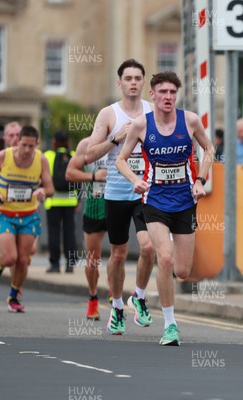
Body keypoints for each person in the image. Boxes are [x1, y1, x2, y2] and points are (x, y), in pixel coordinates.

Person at [116, 71, 214, 346]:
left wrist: (200, 180)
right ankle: (170, 325)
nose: (168, 97)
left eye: (172, 92)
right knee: (165, 258)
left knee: (182, 271)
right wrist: (136, 180)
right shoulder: (140, 125)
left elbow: (209, 149)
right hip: (155, 201)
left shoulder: (190, 120)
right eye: (163, 92)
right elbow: (121, 160)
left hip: (184, 201)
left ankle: (137, 297)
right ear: (153, 95)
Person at [85, 59, 155, 334]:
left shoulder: (152, 111)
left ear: (143, 82)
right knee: (117, 254)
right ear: (120, 83)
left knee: (149, 247)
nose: (134, 82)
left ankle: (138, 297)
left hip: (146, 191)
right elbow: (89, 154)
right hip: (116, 192)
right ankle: (116, 307)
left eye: (138, 77)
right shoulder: (108, 114)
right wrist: (117, 138)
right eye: (129, 78)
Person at [0, 126, 54, 312]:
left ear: (36, 144)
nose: (26, 150)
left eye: (31, 146)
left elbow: (50, 188)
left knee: (23, 260)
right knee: (9, 257)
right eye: (23, 145)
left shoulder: (41, 160)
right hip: (6, 214)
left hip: (28, 215)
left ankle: (13, 297)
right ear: (18, 142)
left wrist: (42, 191)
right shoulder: (4, 156)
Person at [66, 137, 108, 320]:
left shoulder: (127, 139)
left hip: (119, 204)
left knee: (119, 255)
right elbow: (70, 173)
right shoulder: (87, 144)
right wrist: (93, 177)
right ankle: (93, 297)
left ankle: (116, 298)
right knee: (92, 260)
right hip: (95, 206)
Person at [44, 131, 78, 273]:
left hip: (52, 201)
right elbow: (78, 178)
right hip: (70, 201)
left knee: (54, 233)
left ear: (54, 142)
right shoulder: (74, 155)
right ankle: (70, 264)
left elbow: (43, 178)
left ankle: (55, 264)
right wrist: (77, 199)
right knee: (69, 232)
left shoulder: (47, 156)